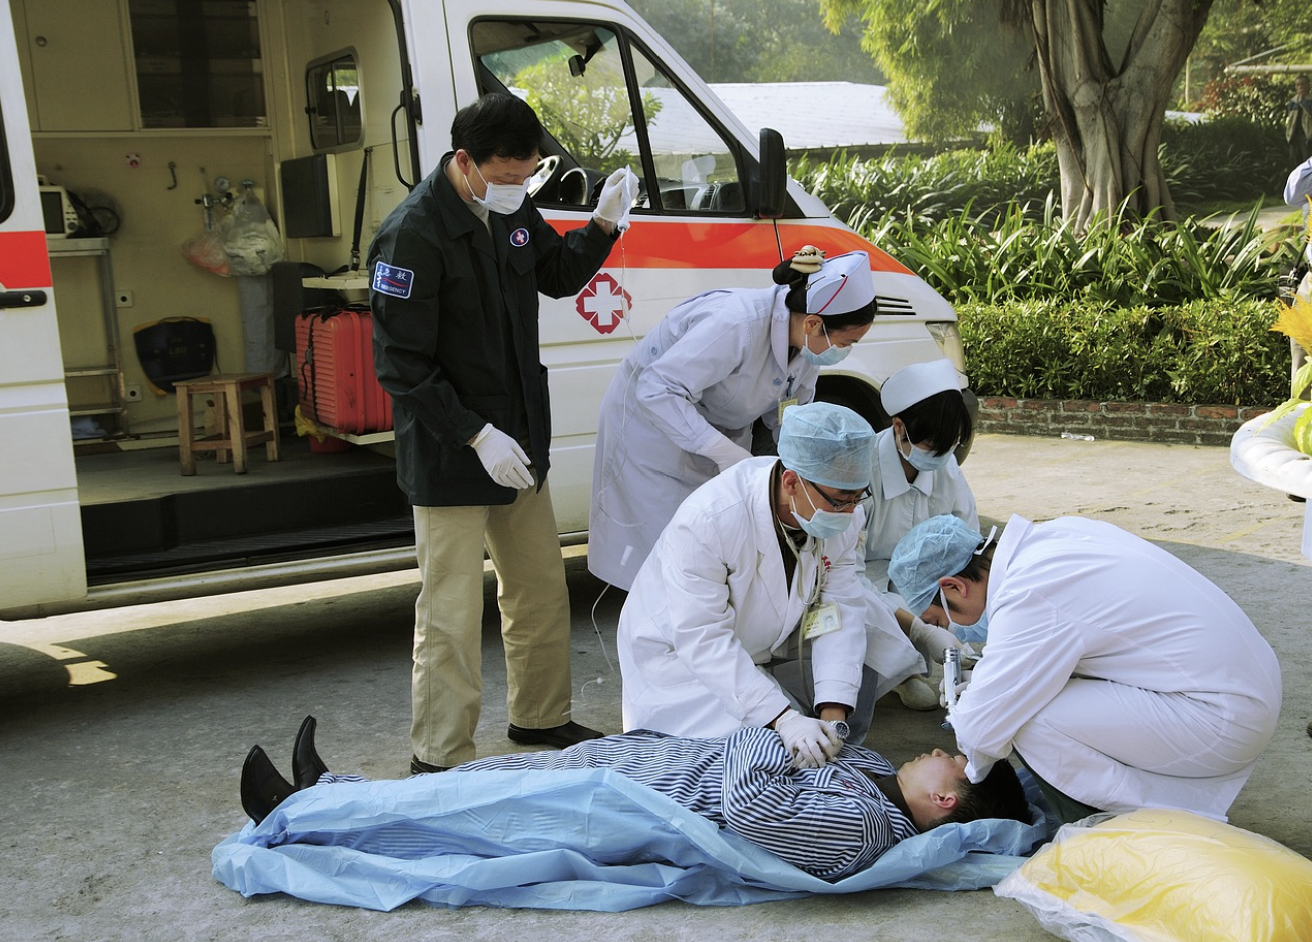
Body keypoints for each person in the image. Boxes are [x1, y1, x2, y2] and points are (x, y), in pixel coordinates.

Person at [369, 93, 636, 773]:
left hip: (518, 445)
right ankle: (440, 754)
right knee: (451, 613)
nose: (518, 187)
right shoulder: (413, 234)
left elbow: (556, 274)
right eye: (507, 175)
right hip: (452, 452)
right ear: (465, 161)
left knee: (540, 589)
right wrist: (475, 435)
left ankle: (540, 716)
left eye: (527, 174)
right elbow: (400, 366)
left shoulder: (510, 209)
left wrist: (603, 225)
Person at [238, 715, 1031, 882]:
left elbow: (753, 808)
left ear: (946, 802)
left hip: (625, 804)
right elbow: (815, 749)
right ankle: (330, 792)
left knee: (463, 816)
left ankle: (297, 813)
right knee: (463, 788)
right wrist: (818, 725)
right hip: (638, 763)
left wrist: (773, 731)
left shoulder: (859, 826)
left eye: (952, 762)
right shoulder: (874, 772)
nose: (940, 750)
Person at [888, 514, 1282, 823]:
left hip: (1221, 716)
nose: (952, 629)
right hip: (1240, 687)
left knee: (1025, 718)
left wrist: (970, 729)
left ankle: (1126, 827)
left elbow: (982, 729)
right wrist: (986, 685)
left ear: (955, 587)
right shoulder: (1055, 537)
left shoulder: (1028, 593)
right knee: (1023, 696)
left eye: (940, 619)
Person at [588, 246, 877, 591]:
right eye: (846, 342)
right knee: (663, 557)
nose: (845, 351)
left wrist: (808, 464)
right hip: (652, 434)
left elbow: (791, 414)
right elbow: (657, 389)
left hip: (717, 432)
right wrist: (725, 453)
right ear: (814, 323)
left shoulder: (808, 346)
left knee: (714, 546)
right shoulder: (737, 323)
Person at [617, 401, 880, 762]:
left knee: (863, 660)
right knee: (765, 755)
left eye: (857, 497)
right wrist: (784, 719)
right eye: (839, 501)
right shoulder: (709, 520)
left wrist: (833, 714)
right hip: (679, 658)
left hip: (757, 642)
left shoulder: (843, 515)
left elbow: (840, 610)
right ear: (791, 482)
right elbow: (702, 637)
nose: (850, 512)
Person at [858, 359, 978, 712]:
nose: (941, 457)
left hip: (916, 581)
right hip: (861, 578)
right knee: (853, 609)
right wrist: (921, 630)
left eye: (950, 446)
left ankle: (935, 662)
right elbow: (843, 571)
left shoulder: (945, 467)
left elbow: (969, 546)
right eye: (931, 445)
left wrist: (957, 611)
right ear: (899, 427)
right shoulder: (861, 469)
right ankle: (901, 674)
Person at [1286, 75, 1312, 166]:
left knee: (1307, 163)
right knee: (1295, 162)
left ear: (1308, 86)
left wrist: (1303, 102)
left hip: (1308, 137)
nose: (1301, 87)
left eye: (1303, 84)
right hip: (1294, 137)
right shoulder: (1292, 102)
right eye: (1298, 85)